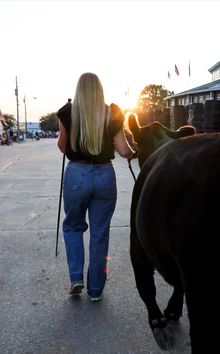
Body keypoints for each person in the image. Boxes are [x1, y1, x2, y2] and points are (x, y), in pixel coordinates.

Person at [57, 72, 136, 302]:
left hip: (77, 175)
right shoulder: (112, 112)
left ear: (78, 90)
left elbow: (63, 147)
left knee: (73, 226)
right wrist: (134, 151)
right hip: (104, 175)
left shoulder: (67, 112)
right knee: (100, 233)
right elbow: (123, 150)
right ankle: (96, 290)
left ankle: (75, 278)